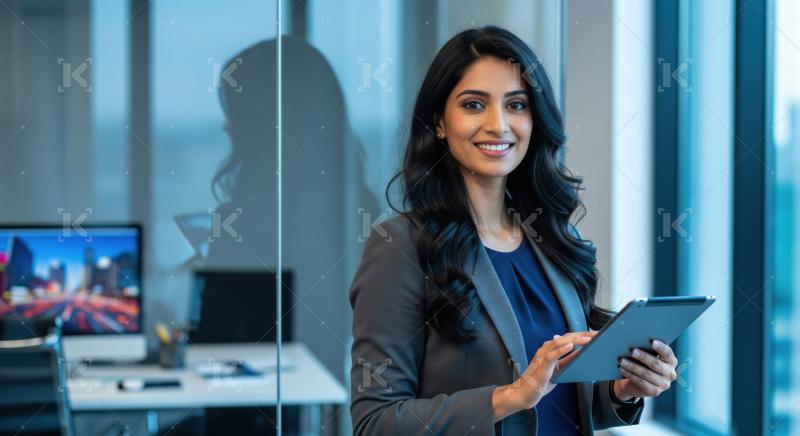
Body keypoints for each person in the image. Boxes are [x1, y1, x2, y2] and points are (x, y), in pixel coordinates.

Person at [349, 26, 678, 435]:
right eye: (473, 104)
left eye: (517, 105)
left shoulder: (554, 240)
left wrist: (622, 391)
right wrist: (512, 396)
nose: (497, 124)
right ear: (438, 122)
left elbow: (559, 403)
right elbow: (375, 422)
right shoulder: (400, 246)